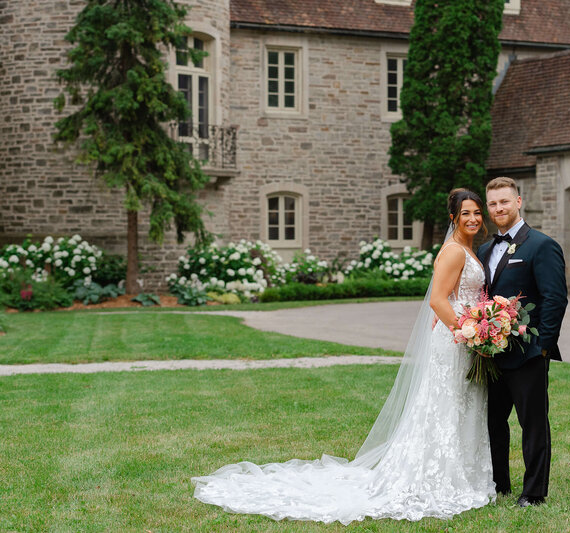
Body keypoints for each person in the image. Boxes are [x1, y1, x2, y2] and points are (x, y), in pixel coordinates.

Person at [192, 189, 496, 525]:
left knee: (456, 404)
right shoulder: (455, 251)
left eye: (477, 213)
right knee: (446, 405)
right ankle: (437, 479)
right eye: (466, 213)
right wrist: (467, 331)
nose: (473, 219)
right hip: (455, 338)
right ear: (453, 217)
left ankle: (460, 474)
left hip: (463, 336)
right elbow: (438, 300)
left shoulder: (468, 248)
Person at [477, 177, 568, 508]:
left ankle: (533, 492)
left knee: (532, 424)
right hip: (490, 354)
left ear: (518, 202)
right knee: (493, 422)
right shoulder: (484, 249)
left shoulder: (541, 245)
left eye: (504, 201)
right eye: (493, 204)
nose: (499, 208)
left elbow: (554, 299)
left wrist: (543, 347)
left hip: (528, 353)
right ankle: (499, 484)